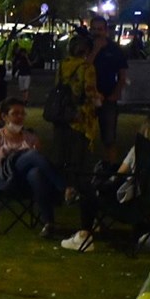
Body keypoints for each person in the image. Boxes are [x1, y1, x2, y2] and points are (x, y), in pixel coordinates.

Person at [62, 112, 150, 252]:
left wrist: (101, 184)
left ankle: (84, 236)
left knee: (88, 191)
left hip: (131, 208)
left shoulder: (141, 151)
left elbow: (118, 176)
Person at [0, 97, 71, 238]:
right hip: (5, 179)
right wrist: (7, 161)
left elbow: (41, 164)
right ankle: (65, 188)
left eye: (22, 113)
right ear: (4, 116)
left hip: (28, 183)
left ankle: (49, 225)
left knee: (35, 172)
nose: (20, 117)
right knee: (31, 154)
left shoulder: (31, 137)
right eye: (15, 113)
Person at [53, 35, 100, 186]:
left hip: (62, 112)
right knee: (79, 154)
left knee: (62, 152)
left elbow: (57, 87)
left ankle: (61, 185)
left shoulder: (63, 65)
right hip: (80, 115)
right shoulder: (87, 67)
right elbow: (90, 91)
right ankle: (76, 186)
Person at [88, 16, 128, 164]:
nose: (97, 32)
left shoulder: (115, 49)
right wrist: (96, 50)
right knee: (85, 136)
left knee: (109, 138)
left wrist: (116, 93)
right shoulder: (85, 46)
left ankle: (111, 169)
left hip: (108, 97)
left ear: (106, 31)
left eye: (100, 29)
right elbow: (83, 67)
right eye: (94, 29)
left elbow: (122, 74)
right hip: (88, 98)